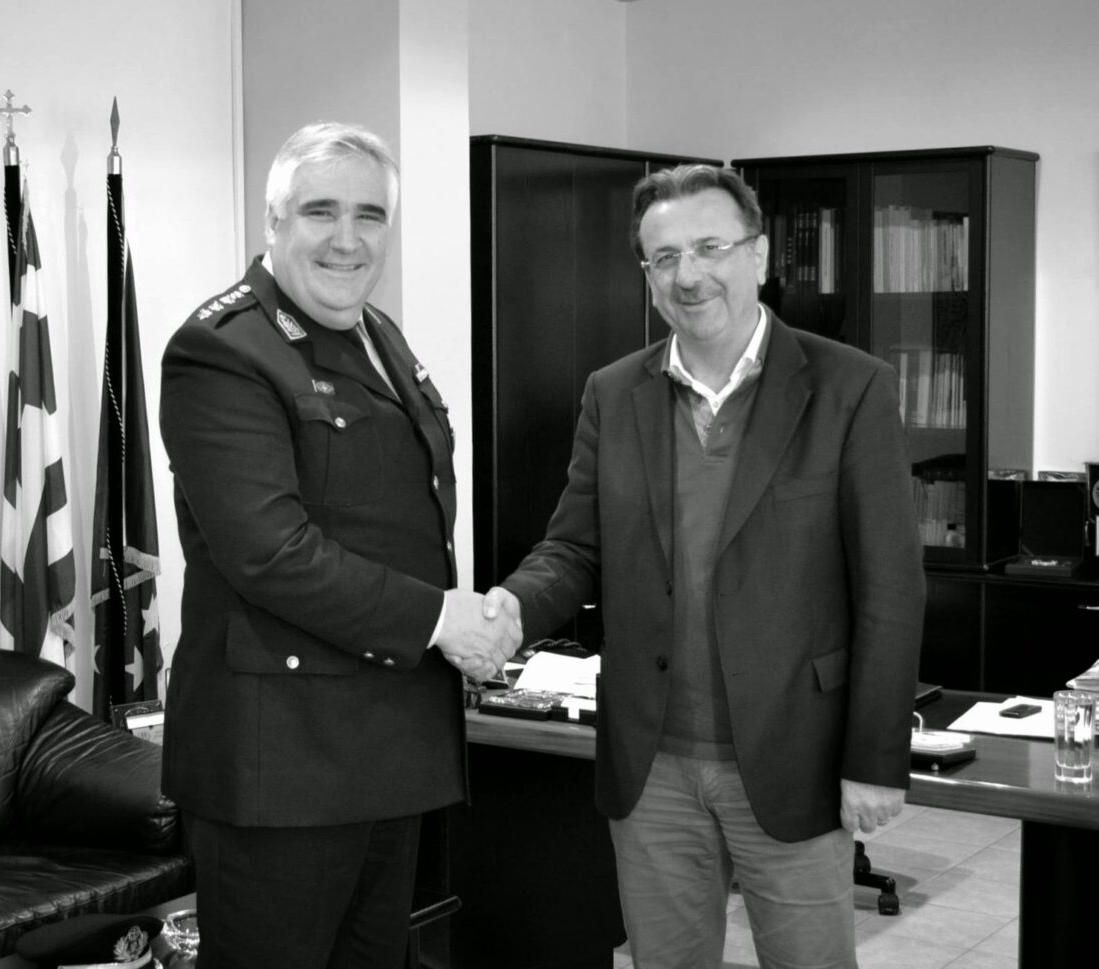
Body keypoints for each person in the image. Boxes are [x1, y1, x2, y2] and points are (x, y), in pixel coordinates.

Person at [484, 165, 926, 968]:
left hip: (795, 756)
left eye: (710, 247)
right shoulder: (613, 393)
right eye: (664, 257)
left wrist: (874, 760)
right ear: (647, 274)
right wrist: (511, 607)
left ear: (758, 254)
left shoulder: (852, 388)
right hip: (651, 765)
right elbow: (575, 548)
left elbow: (890, 590)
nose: (688, 274)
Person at [160, 121, 518, 969]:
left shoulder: (377, 332)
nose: (347, 239)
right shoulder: (222, 349)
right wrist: (442, 619)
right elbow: (270, 552)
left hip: (387, 743)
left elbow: (401, 514)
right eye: (321, 211)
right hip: (282, 764)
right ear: (274, 221)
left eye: (370, 215)